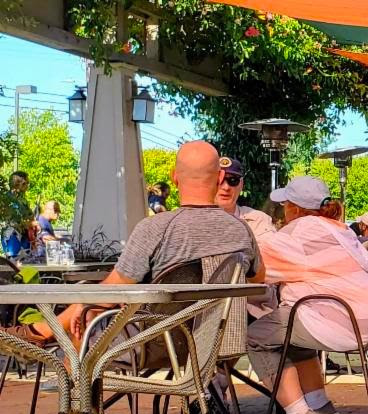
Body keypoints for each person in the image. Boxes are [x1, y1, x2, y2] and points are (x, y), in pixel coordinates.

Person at [1, 141, 263, 346]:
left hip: (159, 343)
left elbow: (113, 290)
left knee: (87, 319)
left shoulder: (155, 228)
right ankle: (42, 333)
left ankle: (75, 407)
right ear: (219, 178)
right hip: (222, 341)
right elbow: (258, 280)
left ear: (174, 177)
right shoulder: (242, 231)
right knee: (90, 310)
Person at [247, 176, 368, 414]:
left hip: (342, 323)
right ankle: (319, 405)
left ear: (294, 209)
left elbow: (255, 270)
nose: (282, 210)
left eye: (284, 205)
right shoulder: (340, 229)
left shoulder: (298, 232)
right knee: (291, 331)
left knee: (256, 336)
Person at [214, 157, 275, 238]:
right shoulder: (195, 220)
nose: (226, 187)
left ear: (241, 184)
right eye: (219, 181)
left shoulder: (258, 221)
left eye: (233, 180)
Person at [3, 171, 33, 257]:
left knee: (27, 262)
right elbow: (8, 220)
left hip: (24, 235)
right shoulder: (6, 199)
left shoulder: (23, 199)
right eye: (25, 183)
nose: (27, 186)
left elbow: (29, 215)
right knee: (15, 262)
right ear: (17, 183)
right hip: (12, 235)